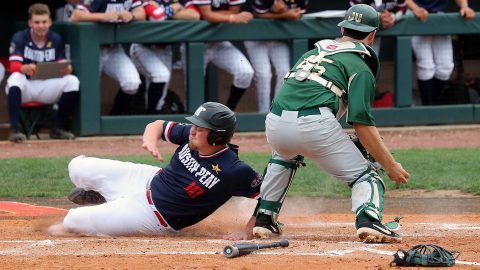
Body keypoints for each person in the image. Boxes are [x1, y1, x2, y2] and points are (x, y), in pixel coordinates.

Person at [252, 4, 409, 243]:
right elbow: (362, 124)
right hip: (314, 125)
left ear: (343, 28)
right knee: (367, 177)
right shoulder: (360, 65)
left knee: (283, 157)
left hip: (274, 122)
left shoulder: (312, 53)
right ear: (372, 34)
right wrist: (390, 165)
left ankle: (264, 219)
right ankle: (369, 220)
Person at [51, 102, 262, 239]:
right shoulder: (191, 136)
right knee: (77, 167)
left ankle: (111, 207)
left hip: (152, 215)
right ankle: (106, 200)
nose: (193, 130)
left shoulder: (234, 170)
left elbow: (269, 194)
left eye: (201, 128)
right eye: (195, 125)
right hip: (147, 179)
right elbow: (157, 125)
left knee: (72, 221)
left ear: (217, 136)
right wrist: (149, 142)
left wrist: (248, 230)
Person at [6, 3, 80, 142]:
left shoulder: (56, 39)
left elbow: (62, 63)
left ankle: (57, 128)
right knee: (15, 77)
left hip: (47, 87)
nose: (41, 25)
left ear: (50, 22)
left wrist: (66, 69)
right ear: (30, 23)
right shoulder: (20, 37)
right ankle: (14, 129)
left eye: (44, 22)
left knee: (72, 81)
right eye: (37, 22)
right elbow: (13, 65)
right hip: (26, 88)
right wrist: (24, 68)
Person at [70, 0, 146, 115]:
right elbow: (75, 16)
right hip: (91, 49)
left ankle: (116, 114)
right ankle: (78, 121)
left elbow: (142, 14)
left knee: (132, 83)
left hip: (113, 49)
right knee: (86, 88)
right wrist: (103, 16)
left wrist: (132, 15)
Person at [180, 0, 254, 111]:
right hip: (195, 43)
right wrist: (231, 17)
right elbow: (207, 15)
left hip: (219, 43)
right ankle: (194, 122)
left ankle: (229, 111)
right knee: (194, 89)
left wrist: (217, 15)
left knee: (245, 72)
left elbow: (234, 11)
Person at [129, 0, 200, 114]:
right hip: (144, 48)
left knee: (162, 91)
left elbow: (195, 15)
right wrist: (177, 9)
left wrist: (169, 10)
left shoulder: (177, 1)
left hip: (166, 49)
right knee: (159, 76)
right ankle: (150, 114)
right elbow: (156, 16)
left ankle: (153, 115)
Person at [405, 0, 475, 105]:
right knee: (426, 66)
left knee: (446, 67)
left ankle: (434, 106)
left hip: (438, 15)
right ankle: (428, 107)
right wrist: (415, 8)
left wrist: (465, 6)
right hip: (415, 14)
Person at [244, 0, 307, 113]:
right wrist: (284, 14)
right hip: (256, 37)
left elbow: (298, 14)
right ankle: (263, 113)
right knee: (264, 75)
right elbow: (258, 14)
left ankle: (277, 111)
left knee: (285, 72)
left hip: (278, 38)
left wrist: (285, 12)